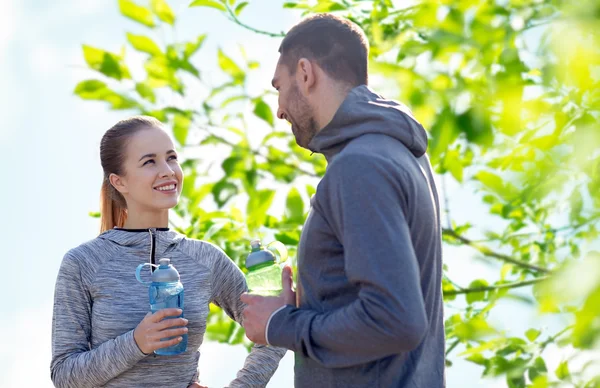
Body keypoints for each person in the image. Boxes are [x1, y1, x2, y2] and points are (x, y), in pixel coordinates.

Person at [240, 13, 445, 387]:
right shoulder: (398, 153)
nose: (279, 109)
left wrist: (280, 324)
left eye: (279, 87)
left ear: (305, 72)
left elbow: (395, 320)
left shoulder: (360, 166)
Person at [50, 116, 286, 388]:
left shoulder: (205, 259)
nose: (168, 171)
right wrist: (138, 342)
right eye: (149, 161)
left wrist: (243, 385)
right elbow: (65, 375)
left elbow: (274, 326)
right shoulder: (83, 263)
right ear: (119, 181)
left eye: (171, 158)